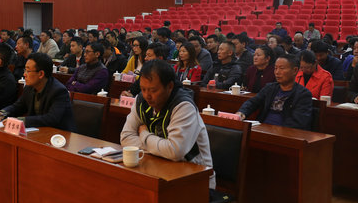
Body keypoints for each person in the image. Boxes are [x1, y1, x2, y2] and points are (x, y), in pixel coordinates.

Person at [120, 60, 215, 188]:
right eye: (143, 89)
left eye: (153, 90)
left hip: (196, 179)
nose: (147, 95)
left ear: (170, 86)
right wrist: (161, 148)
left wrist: (144, 134)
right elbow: (126, 138)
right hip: (159, 167)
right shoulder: (140, 100)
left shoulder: (183, 106)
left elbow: (174, 151)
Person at [0, 52, 76, 131]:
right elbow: (18, 106)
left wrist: (21, 120)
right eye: (25, 70)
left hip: (59, 136)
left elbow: (52, 118)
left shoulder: (59, 91)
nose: (24, 74)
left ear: (41, 74)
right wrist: (3, 112)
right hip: (38, 132)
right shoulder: (29, 87)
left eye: (28, 71)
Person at [236, 54, 313, 130]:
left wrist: (275, 130)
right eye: (275, 68)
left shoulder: (303, 94)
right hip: (263, 129)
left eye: (281, 68)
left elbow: (298, 122)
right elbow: (253, 102)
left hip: (284, 133)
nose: (277, 72)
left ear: (295, 70)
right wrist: (242, 112)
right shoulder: (270, 88)